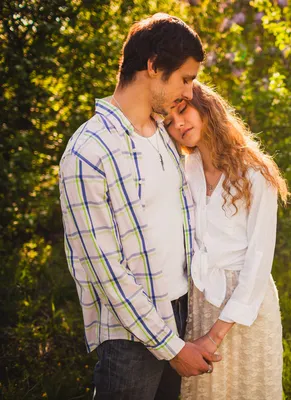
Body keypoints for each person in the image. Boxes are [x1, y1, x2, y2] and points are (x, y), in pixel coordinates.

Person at [58, 14, 220, 400]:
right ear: (152, 66)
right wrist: (172, 347)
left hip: (180, 314)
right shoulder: (88, 153)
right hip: (130, 339)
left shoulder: (163, 136)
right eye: (185, 78)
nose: (190, 90)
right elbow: (106, 272)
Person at [164, 81, 290, 399]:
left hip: (246, 307)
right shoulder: (182, 171)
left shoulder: (255, 173)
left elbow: (259, 261)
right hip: (199, 299)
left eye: (183, 110)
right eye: (168, 121)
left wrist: (215, 335)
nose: (178, 124)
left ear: (206, 108)